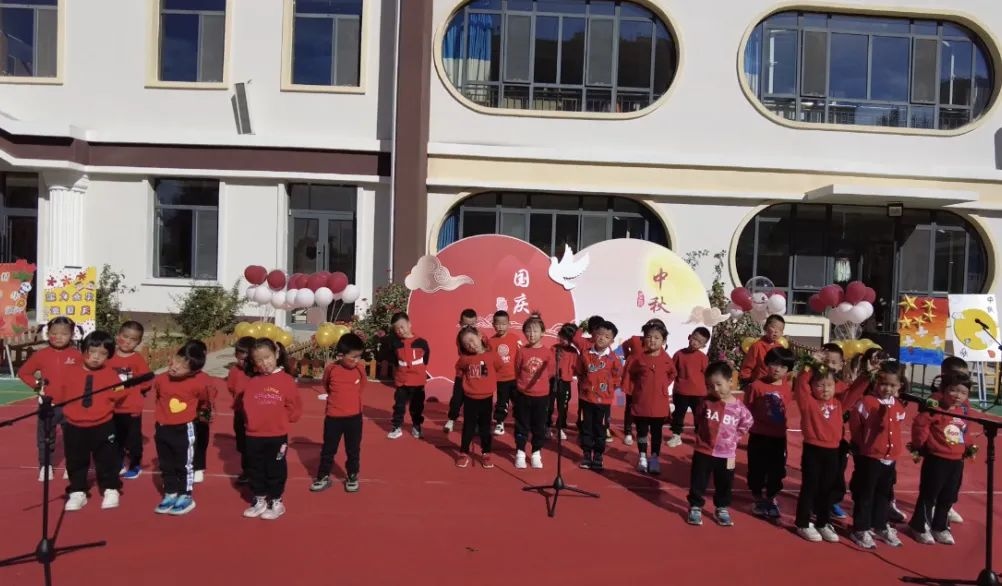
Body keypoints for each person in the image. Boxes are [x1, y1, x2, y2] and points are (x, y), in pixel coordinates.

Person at [57, 331, 129, 512]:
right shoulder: (70, 372)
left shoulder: (111, 374)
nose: (96, 357)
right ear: (84, 350)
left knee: (107, 459)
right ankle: (77, 490)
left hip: (102, 424)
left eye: (103, 354)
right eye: (92, 352)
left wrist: (119, 390)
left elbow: (119, 394)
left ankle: (111, 488)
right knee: (75, 459)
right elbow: (59, 393)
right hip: (75, 425)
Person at [152, 341, 221, 516]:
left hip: (183, 429)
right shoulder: (160, 379)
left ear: (192, 372)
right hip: (162, 428)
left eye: (183, 366)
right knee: (165, 463)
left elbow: (205, 400)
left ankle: (185, 495)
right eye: (177, 360)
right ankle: (170, 492)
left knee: (184, 464)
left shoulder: (198, 384)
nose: (175, 367)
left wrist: (205, 414)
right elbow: (159, 397)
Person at [908, 371, 974, 545]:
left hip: (956, 461)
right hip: (937, 459)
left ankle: (940, 527)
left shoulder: (963, 411)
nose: (958, 396)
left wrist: (968, 446)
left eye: (963, 393)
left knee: (948, 496)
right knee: (929, 495)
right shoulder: (934, 408)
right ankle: (919, 526)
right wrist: (919, 445)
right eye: (953, 390)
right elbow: (920, 425)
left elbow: (965, 432)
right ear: (943, 390)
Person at [848, 360, 909, 549]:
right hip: (870, 456)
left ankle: (880, 524)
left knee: (884, 493)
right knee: (866, 493)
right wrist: (861, 445)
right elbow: (856, 426)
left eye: (892, 385)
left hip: (889, 457)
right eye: (883, 384)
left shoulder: (898, 405)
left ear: (899, 386)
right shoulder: (867, 403)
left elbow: (897, 427)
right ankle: (861, 528)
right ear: (876, 382)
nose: (887, 389)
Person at [241, 339, 302, 520]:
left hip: (276, 435)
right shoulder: (253, 381)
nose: (264, 363)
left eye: (267, 357)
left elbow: (294, 407)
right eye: (259, 360)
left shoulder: (286, 380)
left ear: (276, 354)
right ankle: (259, 498)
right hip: (254, 435)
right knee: (255, 468)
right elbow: (246, 405)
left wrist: (283, 420)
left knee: (276, 468)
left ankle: (276, 501)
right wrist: (251, 424)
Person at [687, 362, 753, 527]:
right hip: (704, 450)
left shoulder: (739, 407)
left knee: (725, 482)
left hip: (727, 454)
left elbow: (747, 422)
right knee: (698, 480)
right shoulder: (705, 402)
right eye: (710, 386)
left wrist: (735, 437)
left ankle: (722, 507)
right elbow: (698, 417)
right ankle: (695, 506)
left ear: (730, 382)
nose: (715, 389)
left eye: (719, 384)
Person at [17, 316, 82, 482]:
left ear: (72, 335)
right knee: (45, 438)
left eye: (64, 334)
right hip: (48, 405)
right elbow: (24, 373)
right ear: (48, 334)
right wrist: (38, 386)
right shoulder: (41, 355)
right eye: (54, 333)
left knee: (73, 438)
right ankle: (45, 466)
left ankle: (71, 466)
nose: (58, 337)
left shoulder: (78, 355)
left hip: (72, 406)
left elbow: (87, 375)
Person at [793, 368, 851, 543]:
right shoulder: (808, 402)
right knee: (810, 487)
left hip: (833, 451)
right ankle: (803, 523)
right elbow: (801, 384)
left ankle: (823, 522)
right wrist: (811, 367)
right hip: (813, 450)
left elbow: (854, 391)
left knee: (827, 488)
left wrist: (865, 376)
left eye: (829, 385)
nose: (825, 389)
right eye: (819, 385)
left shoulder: (839, 404)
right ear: (811, 387)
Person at [744, 347, 795, 519]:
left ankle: (771, 497)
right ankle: (758, 497)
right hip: (758, 435)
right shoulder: (755, 386)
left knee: (776, 470)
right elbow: (747, 409)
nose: (778, 369)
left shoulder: (788, 387)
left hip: (778, 437)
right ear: (767, 364)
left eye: (783, 366)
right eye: (774, 364)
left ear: (788, 370)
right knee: (756, 468)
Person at [312, 333, 367, 493]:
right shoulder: (331, 369)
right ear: (341, 355)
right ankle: (323, 476)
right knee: (328, 449)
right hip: (333, 418)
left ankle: (352, 475)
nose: (356, 360)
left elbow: (362, 386)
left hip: (354, 418)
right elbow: (326, 384)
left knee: (353, 450)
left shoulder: (360, 369)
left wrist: (352, 400)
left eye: (359, 356)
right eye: (353, 357)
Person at [622, 320, 676, 475]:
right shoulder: (638, 358)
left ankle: (654, 458)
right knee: (642, 432)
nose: (652, 340)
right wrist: (639, 389)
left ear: (663, 341)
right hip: (642, 402)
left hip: (659, 404)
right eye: (649, 337)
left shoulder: (667, 359)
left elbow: (672, 374)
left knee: (657, 433)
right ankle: (642, 457)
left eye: (657, 338)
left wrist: (662, 387)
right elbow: (631, 374)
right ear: (644, 339)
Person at [107, 321, 152, 480]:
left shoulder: (137, 359)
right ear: (117, 336)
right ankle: (117, 462)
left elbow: (147, 381)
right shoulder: (109, 357)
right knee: (114, 437)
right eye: (125, 336)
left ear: (138, 342)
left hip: (131, 407)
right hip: (111, 406)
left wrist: (135, 390)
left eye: (133, 339)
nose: (127, 341)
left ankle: (135, 464)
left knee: (133, 439)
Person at [576, 320, 623, 471]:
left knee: (600, 429)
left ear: (612, 341)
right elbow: (579, 371)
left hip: (604, 402)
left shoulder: (614, 359)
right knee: (586, 428)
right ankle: (586, 455)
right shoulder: (585, 354)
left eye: (607, 336)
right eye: (600, 334)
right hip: (586, 399)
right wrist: (586, 387)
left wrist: (607, 389)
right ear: (594, 335)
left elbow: (617, 378)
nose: (602, 338)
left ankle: (598, 456)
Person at [455, 326, 502, 468]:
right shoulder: (465, 359)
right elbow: (459, 368)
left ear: (480, 336)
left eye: (472, 340)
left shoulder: (492, 355)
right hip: (470, 398)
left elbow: (499, 366)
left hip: (486, 398)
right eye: (466, 344)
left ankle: (486, 453)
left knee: (485, 427)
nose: (470, 345)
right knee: (468, 427)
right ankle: (463, 452)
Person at [513, 313, 553, 469]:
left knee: (539, 426)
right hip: (523, 395)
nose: (531, 334)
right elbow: (517, 370)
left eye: (535, 331)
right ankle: (520, 453)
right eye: (528, 331)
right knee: (521, 425)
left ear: (542, 333)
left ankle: (536, 453)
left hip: (541, 396)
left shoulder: (547, 353)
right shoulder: (522, 351)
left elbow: (550, 372)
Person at [387, 312, 430, 440]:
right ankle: (396, 427)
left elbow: (426, 359)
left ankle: (417, 426)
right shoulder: (395, 344)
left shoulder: (421, 342)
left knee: (417, 406)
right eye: (397, 329)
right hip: (402, 381)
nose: (400, 331)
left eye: (402, 327)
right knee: (399, 406)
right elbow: (394, 360)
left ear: (409, 324)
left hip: (417, 382)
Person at [669, 326, 710, 448]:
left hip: (699, 393)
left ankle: (700, 436)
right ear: (689, 337)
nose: (695, 342)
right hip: (681, 391)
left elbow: (707, 375)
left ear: (703, 345)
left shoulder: (703, 358)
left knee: (700, 416)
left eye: (699, 342)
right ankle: (676, 435)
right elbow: (671, 371)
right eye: (694, 338)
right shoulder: (679, 354)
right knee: (678, 414)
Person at [444, 308, 484, 433]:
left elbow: (486, 353)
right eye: (466, 325)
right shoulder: (461, 337)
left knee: (477, 400)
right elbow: (469, 351)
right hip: (463, 373)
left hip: (478, 372)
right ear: (460, 323)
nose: (469, 327)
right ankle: (451, 419)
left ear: (476, 323)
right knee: (457, 398)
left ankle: (477, 423)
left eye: (472, 324)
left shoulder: (482, 336)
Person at [227, 336, 256, 485]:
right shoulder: (234, 371)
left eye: (245, 359)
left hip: (255, 415)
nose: (241, 362)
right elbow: (231, 387)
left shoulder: (257, 372)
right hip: (239, 412)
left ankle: (257, 471)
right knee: (243, 444)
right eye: (239, 358)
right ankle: (247, 471)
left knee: (255, 444)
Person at [489, 310, 523, 436]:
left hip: (515, 378)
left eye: (504, 324)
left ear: (509, 324)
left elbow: (522, 356)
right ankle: (499, 423)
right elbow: (489, 360)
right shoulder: (490, 342)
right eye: (498, 324)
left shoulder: (515, 338)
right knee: (501, 402)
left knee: (519, 402)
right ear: (493, 324)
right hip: (500, 379)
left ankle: (520, 423)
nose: (501, 327)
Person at [547, 323, 578, 441]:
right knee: (548, 406)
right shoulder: (554, 348)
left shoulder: (573, 351)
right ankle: (547, 426)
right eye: (563, 337)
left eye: (568, 339)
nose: (564, 340)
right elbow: (548, 365)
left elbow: (576, 368)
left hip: (565, 383)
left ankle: (560, 427)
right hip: (552, 381)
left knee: (563, 407)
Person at [739, 314, 785, 385]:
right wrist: (746, 382)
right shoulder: (757, 346)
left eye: (780, 329)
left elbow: (783, 369)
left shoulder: (781, 348)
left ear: (782, 333)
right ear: (765, 327)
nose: (776, 331)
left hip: (775, 385)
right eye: (773, 327)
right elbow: (747, 368)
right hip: (759, 384)